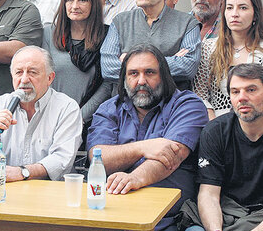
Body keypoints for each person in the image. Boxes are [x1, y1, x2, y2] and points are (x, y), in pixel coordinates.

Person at [87, 44, 208, 231]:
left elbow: (171, 157)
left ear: (164, 76)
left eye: (150, 73)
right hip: (115, 216)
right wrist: (142, 148)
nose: (141, 81)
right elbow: (98, 158)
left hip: (172, 220)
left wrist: (135, 178)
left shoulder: (187, 105)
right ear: (124, 78)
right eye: (133, 74)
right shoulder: (110, 108)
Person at [0, 46, 82, 182]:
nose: (24, 80)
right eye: (18, 72)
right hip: (6, 191)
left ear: (50, 78)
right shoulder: (0, 104)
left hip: (51, 194)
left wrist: (23, 172)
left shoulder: (66, 107)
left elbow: (61, 160)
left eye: (32, 72)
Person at [180, 63, 263, 231]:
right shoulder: (215, 131)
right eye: (235, 92)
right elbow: (209, 194)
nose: (242, 98)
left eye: (251, 90)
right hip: (226, 210)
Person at [101, 0, 201, 91]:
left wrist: (129, 62)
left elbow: (188, 67)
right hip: (126, 106)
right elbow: (107, 68)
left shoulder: (187, 23)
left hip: (171, 106)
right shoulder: (120, 22)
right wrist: (169, 61)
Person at [42, 0, 109, 142]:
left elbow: (107, 85)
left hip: (92, 122)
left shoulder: (107, 35)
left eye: (83, 0)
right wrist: (62, 120)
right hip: (51, 121)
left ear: (93, 4)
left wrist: (78, 117)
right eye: (70, 0)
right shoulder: (49, 34)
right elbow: (41, 79)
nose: (75, 6)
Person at [194, 0, 263, 119]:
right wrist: (214, 126)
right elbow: (200, 94)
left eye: (243, 8)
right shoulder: (208, 48)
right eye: (229, 8)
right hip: (217, 123)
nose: (234, 14)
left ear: (255, 14)